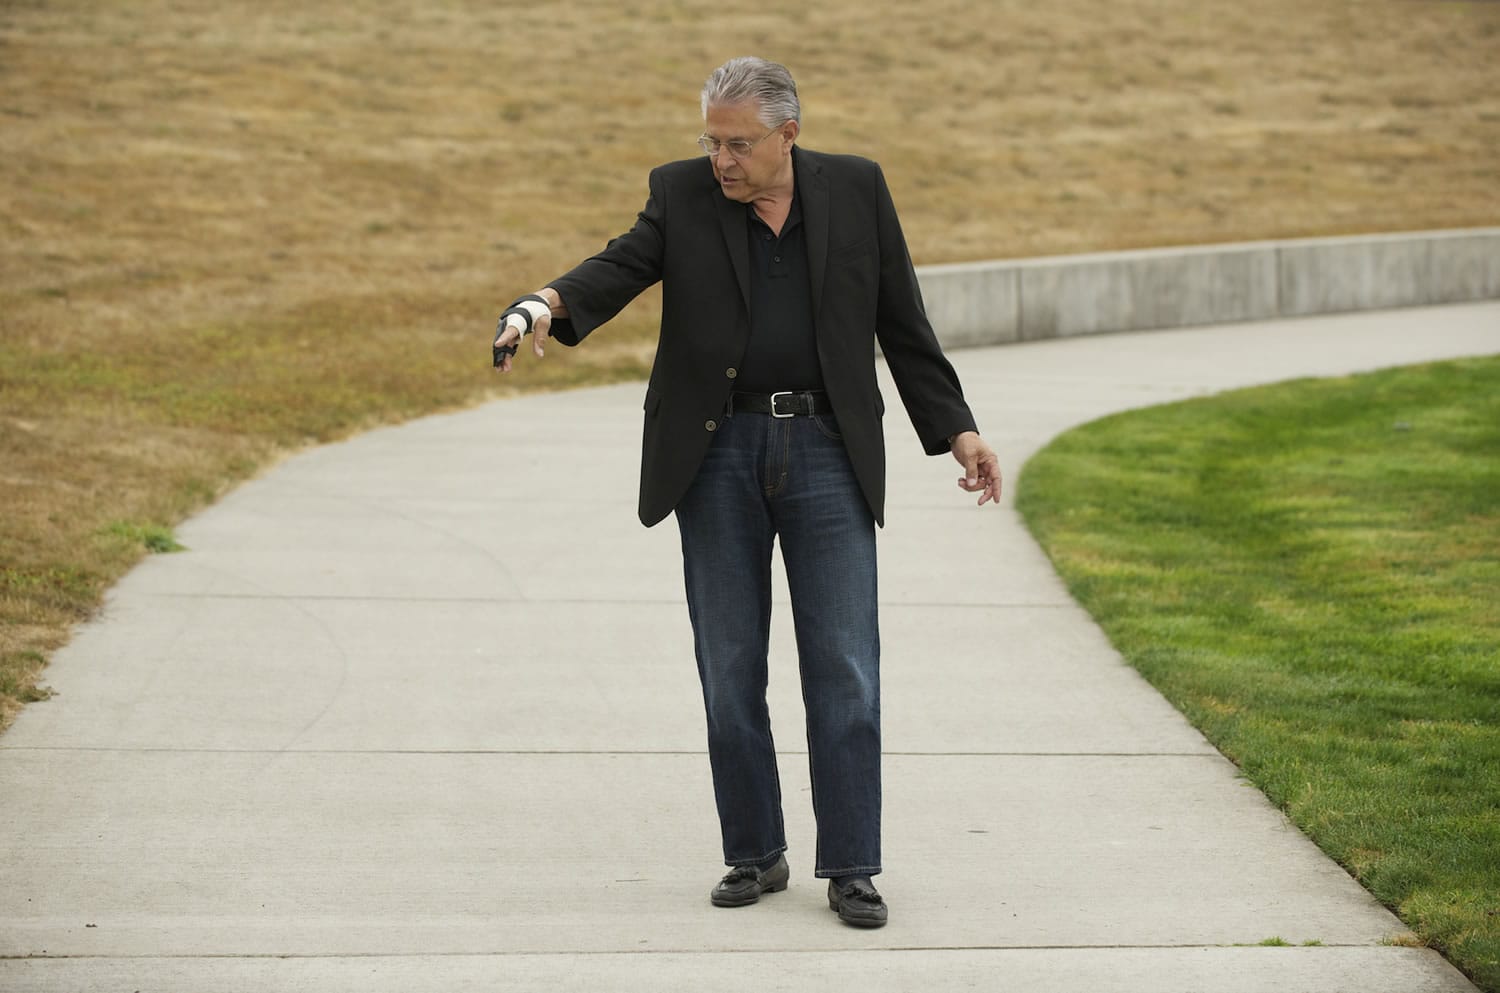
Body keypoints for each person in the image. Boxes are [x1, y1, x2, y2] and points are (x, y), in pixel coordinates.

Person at [492, 56, 1001, 929]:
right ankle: (756, 851)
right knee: (729, 667)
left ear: (788, 135)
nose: (722, 160)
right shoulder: (683, 195)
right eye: (712, 142)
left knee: (844, 667)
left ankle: (851, 865)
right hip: (717, 454)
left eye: (739, 144)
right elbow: (616, 267)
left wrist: (956, 428)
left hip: (829, 452)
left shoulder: (858, 190)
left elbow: (902, 323)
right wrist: (542, 304)